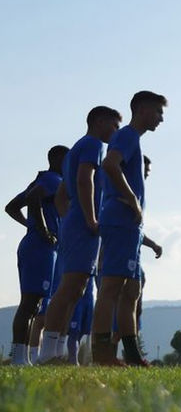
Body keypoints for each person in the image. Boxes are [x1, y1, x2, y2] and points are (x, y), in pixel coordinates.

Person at [39, 106, 122, 363]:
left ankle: (59, 351)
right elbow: (85, 180)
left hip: (76, 222)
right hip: (84, 222)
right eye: (114, 124)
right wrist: (89, 217)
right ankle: (47, 352)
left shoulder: (78, 147)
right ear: (99, 121)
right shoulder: (93, 145)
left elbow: (63, 193)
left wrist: (69, 217)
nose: (116, 131)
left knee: (77, 288)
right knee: (69, 287)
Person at [92, 91, 166, 366]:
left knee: (131, 291)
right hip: (120, 221)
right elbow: (110, 164)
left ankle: (133, 357)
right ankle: (102, 354)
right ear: (143, 110)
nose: (161, 119)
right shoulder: (127, 136)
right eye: (158, 112)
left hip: (131, 227)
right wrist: (133, 200)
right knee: (111, 287)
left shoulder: (134, 140)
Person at [5, 145, 68, 365]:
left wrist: (30, 225)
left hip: (37, 245)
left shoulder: (43, 180)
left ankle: (22, 357)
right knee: (30, 302)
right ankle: (18, 357)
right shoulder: (52, 180)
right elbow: (33, 198)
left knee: (35, 303)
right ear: (59, 159)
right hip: (40, 247)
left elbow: (12, 207)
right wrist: (41, 229)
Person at [67, 275, 95, 365]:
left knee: (82, 331)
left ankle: (74, 358)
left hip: (89, 292)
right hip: (78, 290)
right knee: (74, 331)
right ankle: (73, 360)